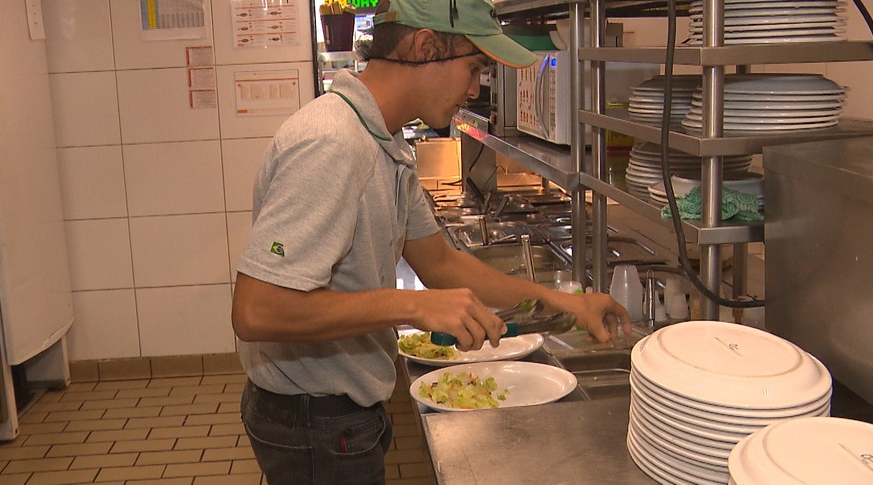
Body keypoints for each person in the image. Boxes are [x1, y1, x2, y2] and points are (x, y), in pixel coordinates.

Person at [231, 0, 631, 483]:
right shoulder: (332, 142)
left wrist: (568, 303)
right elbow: (257, 310)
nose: (474, 88)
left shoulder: (385, 141)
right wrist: (414, 308)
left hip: (340, 413)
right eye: (474, 67)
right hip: (311, 419)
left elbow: (441, 262)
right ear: (424, 46)